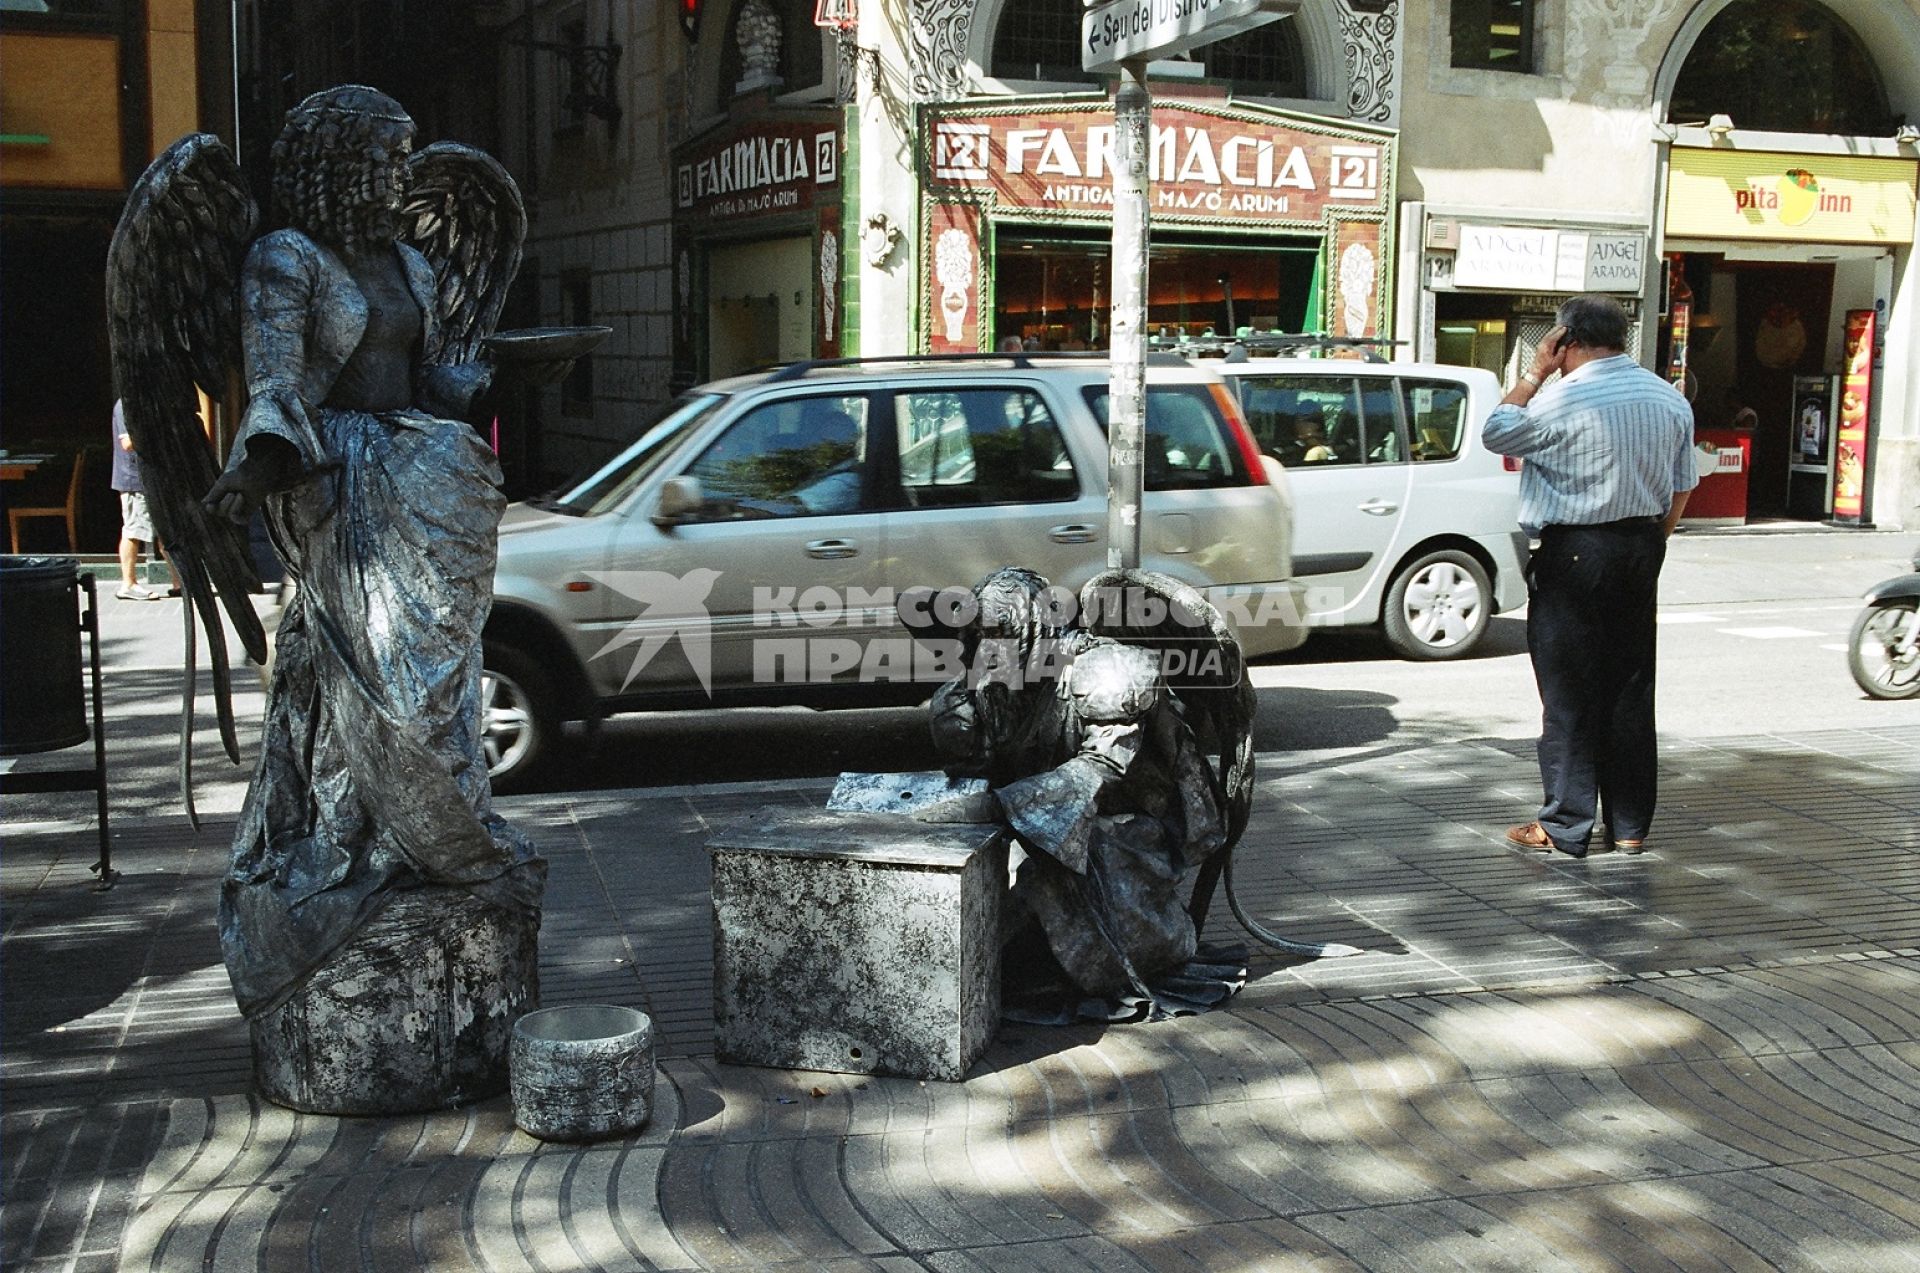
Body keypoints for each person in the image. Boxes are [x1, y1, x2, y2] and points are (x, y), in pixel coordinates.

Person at [200, 86, 545, 1021]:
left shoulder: (410, 265)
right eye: (387, 160)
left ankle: (427, 835)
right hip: (337, 481)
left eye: (405, 157)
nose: (403, 177)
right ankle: (356, 839)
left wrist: (474, 383)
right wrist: (255, 463)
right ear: (339, 165)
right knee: (375, 674)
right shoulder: (287, 259)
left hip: (423, 473)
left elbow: (428, 382)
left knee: (440, 667)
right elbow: (275, 384)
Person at [1483, 294, 1699, 859]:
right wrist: (1656, 540)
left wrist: (1533, 374)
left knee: (1570, 690)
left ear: (1565, 341)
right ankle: (1628, 825)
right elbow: (1683, 483)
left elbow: (1498, 431)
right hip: (1639, 546)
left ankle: (1567, 822)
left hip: (1576, 551)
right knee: (1629, 686)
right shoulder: (1667, 399)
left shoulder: (1562, 399)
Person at [109, 399, 173, 600]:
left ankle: (180, 581)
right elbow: (127, 443)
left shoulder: (144, 403)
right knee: (133, 531)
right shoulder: (125, 406)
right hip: (133, 478)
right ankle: (128, 583)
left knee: (166, 530)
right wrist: (157, 432)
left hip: (153, 476)